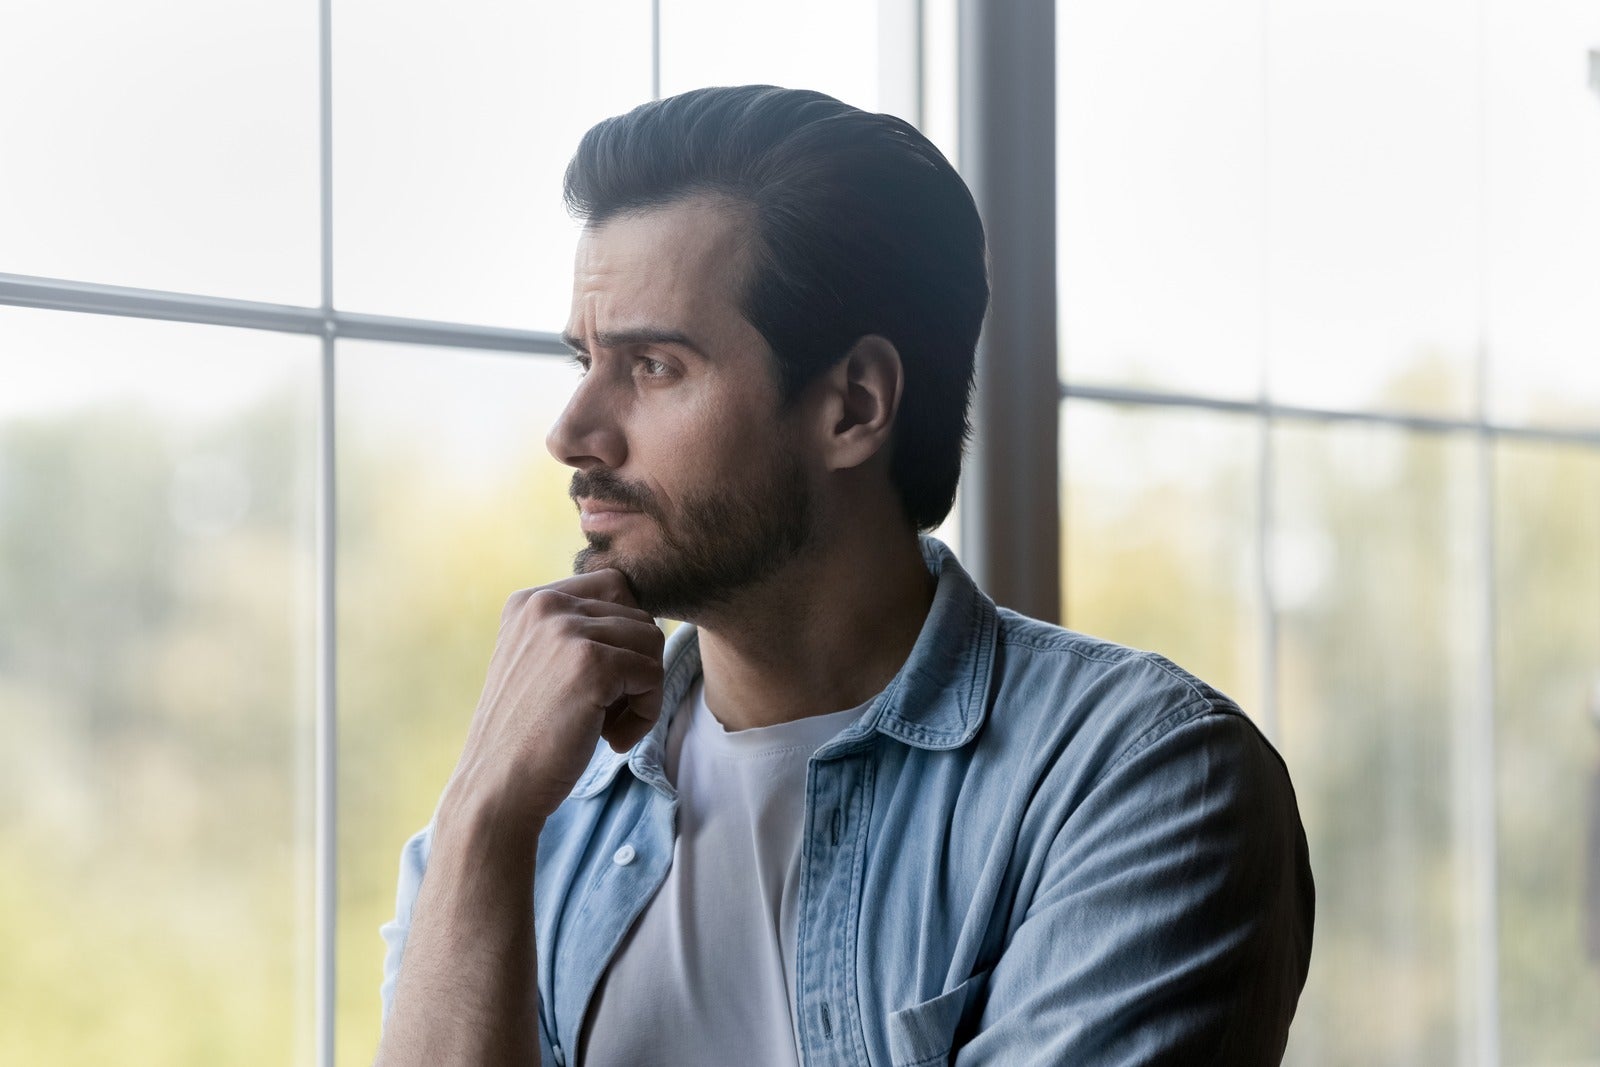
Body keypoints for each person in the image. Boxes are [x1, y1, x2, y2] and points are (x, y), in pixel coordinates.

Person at [373, 84, 1313, 1067]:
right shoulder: (524, 807)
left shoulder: (1136, 778)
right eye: (585, 362)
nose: (571, 432)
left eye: (652, 365)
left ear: (855, 405)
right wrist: (482, 817)